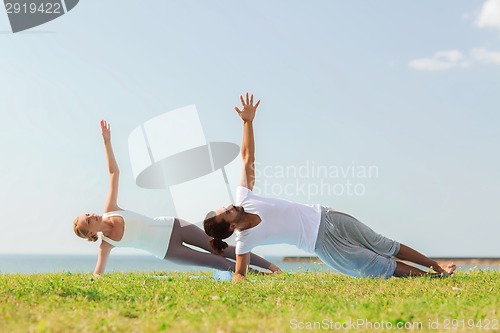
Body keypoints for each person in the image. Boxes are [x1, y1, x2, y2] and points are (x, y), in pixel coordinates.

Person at [203, 93, 456, 280]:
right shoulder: (245, 240)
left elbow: (248, 158)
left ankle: (437, 266)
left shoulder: (244, 198)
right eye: (226, 212)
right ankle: (434, 280)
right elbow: (240, 273)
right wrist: (233, 281)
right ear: (232, 226)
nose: (230, 206)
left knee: (383, 244)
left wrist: (247, 122)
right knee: (379, 265)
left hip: (326, 215)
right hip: (323, 245)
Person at [73, 120, 280, 277]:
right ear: (91, 232)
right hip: (169, 250)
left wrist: (107, 142)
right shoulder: (106, 245)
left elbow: (114, 173)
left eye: (89, 214)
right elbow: (98, 274)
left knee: (222, 248)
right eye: (88, 220)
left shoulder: (111, 209)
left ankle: (274, 269)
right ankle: (264, 278)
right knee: (217, 263)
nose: (93, 215)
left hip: (172, 226)